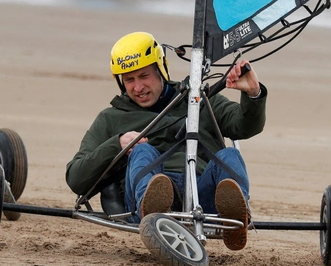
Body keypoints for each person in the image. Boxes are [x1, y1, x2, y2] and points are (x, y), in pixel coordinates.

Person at [65, 32, 267, 250]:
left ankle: (234, 220)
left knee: (230, 155)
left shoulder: (198, 99)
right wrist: (117, 145)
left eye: (144, 76)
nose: (138, 88)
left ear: (161, 69)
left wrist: (253, 94)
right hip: (150, 189)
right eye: (129, 80)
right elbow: (76, 178)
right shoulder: (111, 118)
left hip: (203, 194)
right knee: (143, 151)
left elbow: (246, 126)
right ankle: (153, 210)